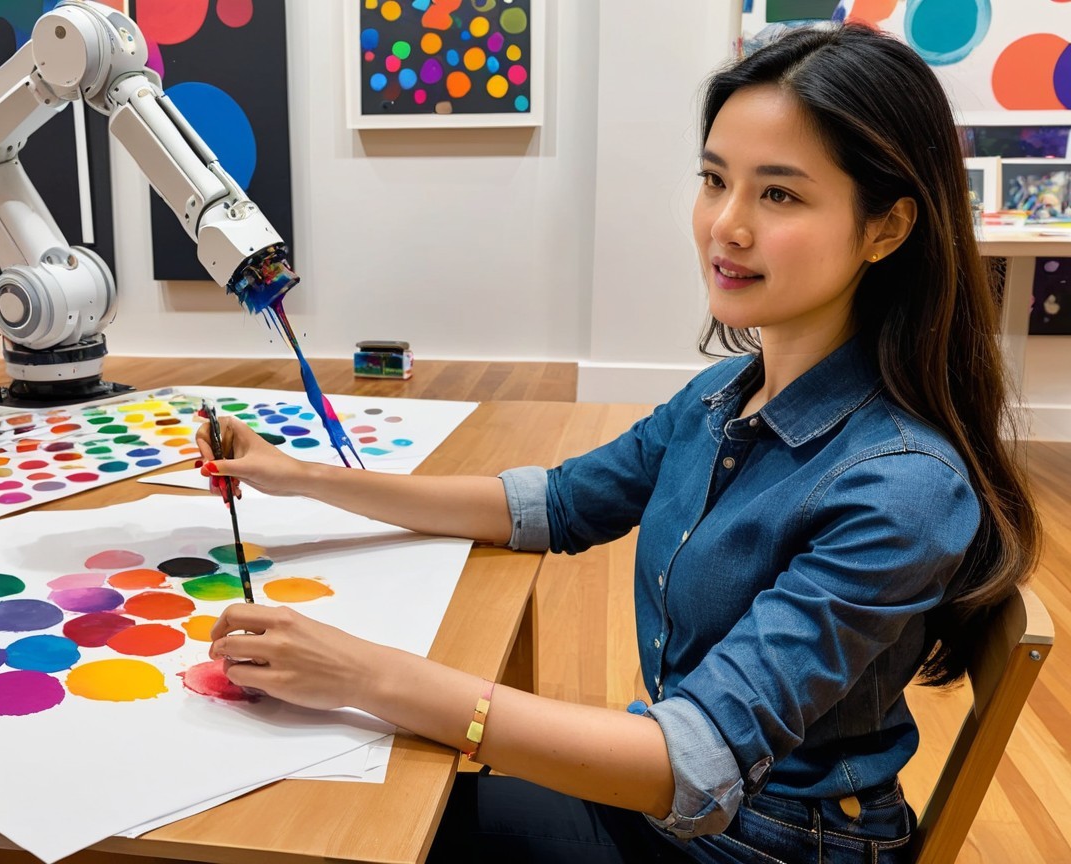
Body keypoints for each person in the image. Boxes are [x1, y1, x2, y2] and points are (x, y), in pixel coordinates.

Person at [195, 23, 1040, 864]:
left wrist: (370, 678)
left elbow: (693, 763)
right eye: (715, 180)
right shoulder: (723, 394)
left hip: (771, 845)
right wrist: (296, 476)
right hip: (684, 807)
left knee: (374, 826)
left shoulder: (901, 486)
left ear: (888, 228)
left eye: (779, 194)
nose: (726, 225)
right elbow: (550, 505)